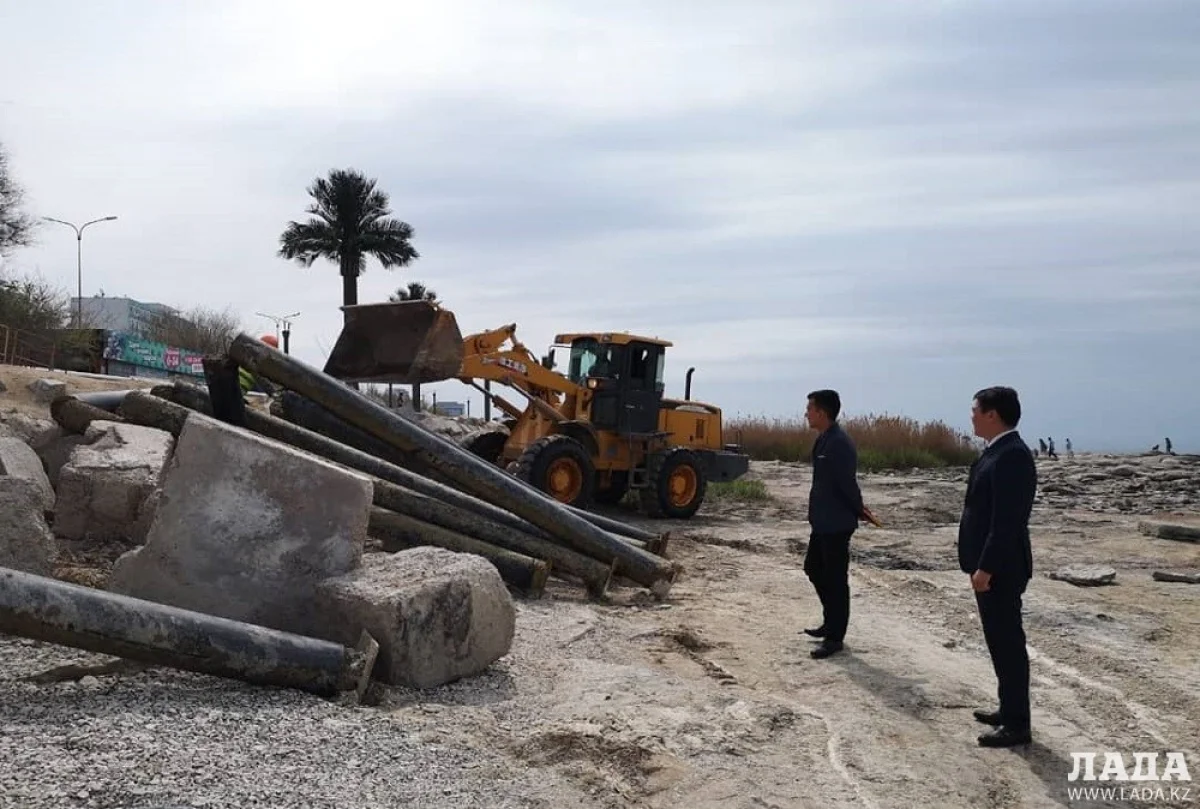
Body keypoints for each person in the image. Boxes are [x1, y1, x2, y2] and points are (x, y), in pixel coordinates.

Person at [958, 386, 1037, 748]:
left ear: (993, 414)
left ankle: (1017, 724)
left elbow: (1006, 522)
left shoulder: (1013, 456)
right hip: (991, 567)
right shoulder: (996, 452)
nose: (971, 415)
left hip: (1001, 570)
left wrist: (986, 568)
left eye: (975, 410)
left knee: (1008, 643)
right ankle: (1008, 709)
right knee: (999, 642)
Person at [802, 389, 864, 660]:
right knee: (813, 568)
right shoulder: (824, 440)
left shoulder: (839, 443)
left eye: (810, 409)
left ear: (822, 413)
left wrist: (859, 510)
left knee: (836, 580)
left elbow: (847, 483)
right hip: (822, 521)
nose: (806, 413)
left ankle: (835, 637)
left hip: (837, 523)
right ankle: (831, 621)